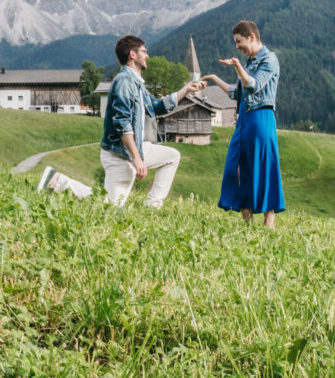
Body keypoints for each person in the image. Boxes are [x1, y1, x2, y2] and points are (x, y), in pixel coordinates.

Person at [99, 34, 204, 207]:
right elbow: (122, 124)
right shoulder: (124, 81)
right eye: (144, 51)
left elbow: (157, 106)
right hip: (120, 155)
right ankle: (59, 182)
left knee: (171, 156)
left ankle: (152, 205)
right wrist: (137, 158)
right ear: (133, 54)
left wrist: (186, 90)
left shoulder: (137, 84)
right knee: (111, 207)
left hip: (136, 149)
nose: (147, 55)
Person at [203, 20, 285, 229]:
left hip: (260, 118)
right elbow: (236, 92)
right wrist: (214, 79)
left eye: (239, 41)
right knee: (236, 168)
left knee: (264, 167)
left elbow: (254, 86)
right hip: (244, 119)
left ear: (251, 36)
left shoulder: (269, 59)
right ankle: (247, 221)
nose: (237, 46)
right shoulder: (249, 62)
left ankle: (269, 222)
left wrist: (238, 67)